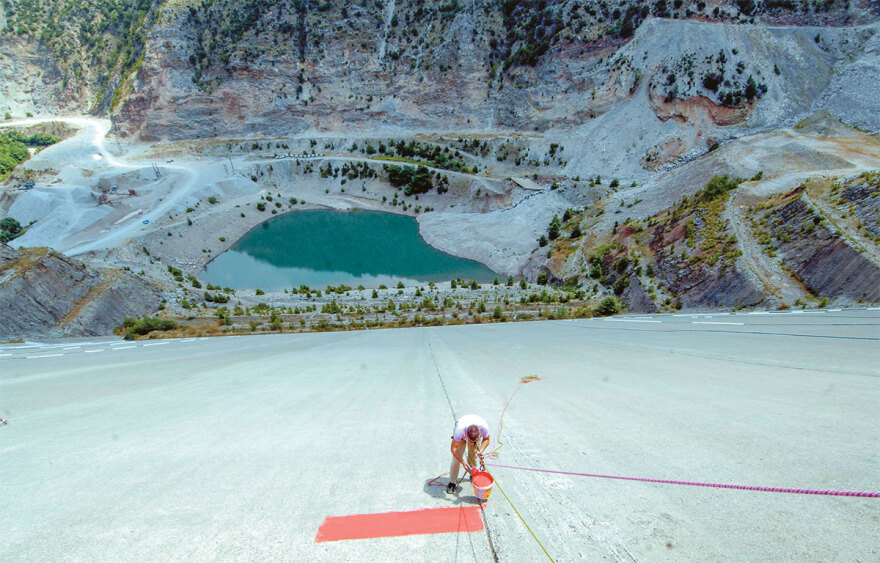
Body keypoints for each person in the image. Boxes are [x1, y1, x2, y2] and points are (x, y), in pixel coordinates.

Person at [447, 414, 490, 494]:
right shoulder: (460, 431)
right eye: (470, 440)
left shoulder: (484, 428)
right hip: (462, 429)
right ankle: (452, 482)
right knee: (456, 461)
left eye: (474, 441)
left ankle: (472, 474)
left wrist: (481, 450)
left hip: (474, 428)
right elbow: (453, 448)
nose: (471, 442)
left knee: (473, 455)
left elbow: (486, 439)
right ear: (466, 435)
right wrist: (462, 461)